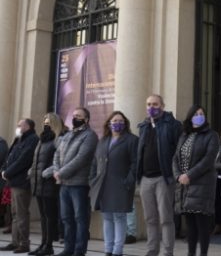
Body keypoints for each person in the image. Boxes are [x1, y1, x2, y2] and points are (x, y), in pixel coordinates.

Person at [49, 107, 98, 256]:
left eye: (79, 116)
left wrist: (61, 173)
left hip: (79, 184)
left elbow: (81, 159)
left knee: (80, 219)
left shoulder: (90, 135)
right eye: (74, 115)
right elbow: (57, 154)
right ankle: (68, 249)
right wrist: (56, 170)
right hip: (64, 184)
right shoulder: (68, 134)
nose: (75, 118)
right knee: (66, 218)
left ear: (86, 119)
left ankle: (79, 251)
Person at [137, 94, 181, 256]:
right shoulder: (143, 126)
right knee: (150, 218)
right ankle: (152, 250)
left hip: (164, 177)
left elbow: (179, 151)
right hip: (145, 179)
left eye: (155, 104)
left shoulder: (173, 125)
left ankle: (168, 251)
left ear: (162, 106)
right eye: (148, 104)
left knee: (165, 218)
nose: (151, 107)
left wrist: (177, 174)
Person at [90, 111, 138, 256]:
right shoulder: (103, 140)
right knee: (107, 217)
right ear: (109, 123)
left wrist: (128, 181)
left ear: (125, 123)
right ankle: (108, 249)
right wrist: (92, 180)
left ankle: (117, 250)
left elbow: (135, 163)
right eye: (115, 120)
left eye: (121, 121)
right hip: (104, 184)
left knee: (119, 217)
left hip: (121, 185)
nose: (118, 123)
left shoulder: (131, 139)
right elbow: (94, 162)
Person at [173, 105, 219, 256]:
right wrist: (178, 175)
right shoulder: (184, 135)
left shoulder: (212, 135)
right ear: (190, 116)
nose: (200, 116)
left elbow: (208, 159)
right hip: (185, 185)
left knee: (202, 224)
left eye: (202, 114)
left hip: (202, 184)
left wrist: (189, 175)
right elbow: (175, 158)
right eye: (196, 114)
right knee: (190, 225)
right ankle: (191, 254)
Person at [28, 113, 65, 256]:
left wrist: (46, 172)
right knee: (43, 216)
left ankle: (49, 246)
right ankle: (43, 244)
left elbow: (60, 162)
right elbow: (36, 160)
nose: (46, 124)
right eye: (44, 121)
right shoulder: (41, 140)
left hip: (50, 183)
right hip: (38, 183)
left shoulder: (59, 140)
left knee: (50, 217)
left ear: (55, 123)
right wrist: (32, 171)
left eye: (49, 122)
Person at [0, 119, 39, 253]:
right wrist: (3, 171)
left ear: (27, 126)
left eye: (19, 125)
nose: (17, 127)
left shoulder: (32, 139)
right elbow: (9, 157)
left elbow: (23, 160)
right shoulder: (19, 139)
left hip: (22, 182)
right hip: (13, 181)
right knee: (14, 213)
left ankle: (24, 243)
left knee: (21, 214)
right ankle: (14, 242)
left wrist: (8, 172)